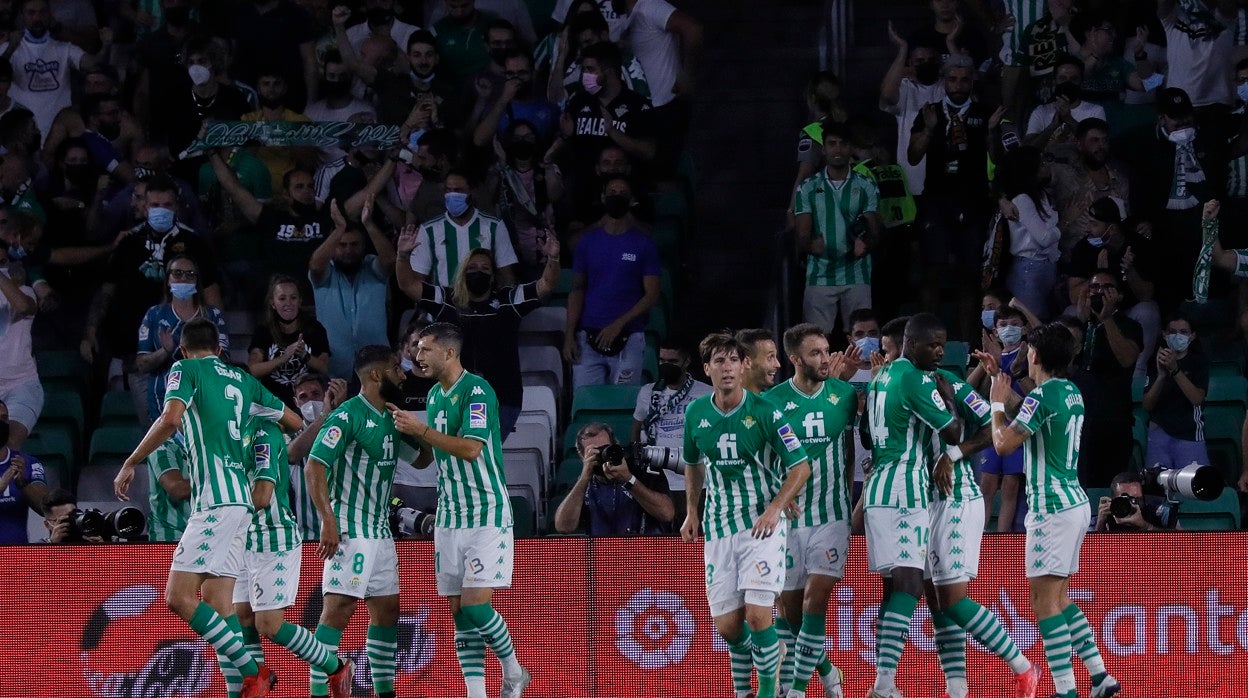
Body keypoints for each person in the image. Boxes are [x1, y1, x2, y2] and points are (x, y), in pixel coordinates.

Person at [113, 317, 303, 698]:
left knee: (177, 598)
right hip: (241, 506)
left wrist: (132, 460)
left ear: (182, 350)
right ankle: (243, 689)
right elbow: (294, 421)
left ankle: (255, 671)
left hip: (215, 503)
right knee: (219, 605)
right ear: (219, 349)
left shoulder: (185, 368)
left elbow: (169, 419)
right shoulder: (244, 381)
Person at [388, 322, 532, 698]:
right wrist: (401, 437)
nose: (417, 356)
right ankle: (476, 693)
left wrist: (419, 431)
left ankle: (515, 671)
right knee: (457, 611)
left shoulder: (477, 390)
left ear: (449, 353)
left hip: (486, 513)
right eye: (416, 349)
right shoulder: (435, 395)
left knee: (476, 608)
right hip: (449, 517)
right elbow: (427, 459)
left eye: (425, 350)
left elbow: (471, 449)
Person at [988, 322, 1120, 698]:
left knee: (1043, 603)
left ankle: (1065, 690)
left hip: (1051, 511)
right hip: (1074, 504)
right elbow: (1034, 418)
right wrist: (1005, 389)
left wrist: (997, 402)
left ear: (1035, 355)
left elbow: (1002, 444)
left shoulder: (1041, 397)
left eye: (1029, 350)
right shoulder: (1068, 391)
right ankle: (1101, 677)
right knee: (1060, 599)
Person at [680, 332, 810, 698]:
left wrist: (775, 507)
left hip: (761, 527)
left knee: (758, 617)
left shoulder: (766, 412)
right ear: (707, 369)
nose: (727, 368)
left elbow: (800, 467)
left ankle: (764, 690)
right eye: (719, 361)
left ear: (743, 366)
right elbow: (692, 465)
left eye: (733, 361)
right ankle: (762, 667)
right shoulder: (695, 413)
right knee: (728, 629)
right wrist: (692, 511)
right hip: (719, 526)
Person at [305, 345, 426, 698]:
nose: (402, 374)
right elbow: (314, 465)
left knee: (387, 612)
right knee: (338, 612)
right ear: (376, 375)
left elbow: (419, 463)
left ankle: (384, 692)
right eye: (395, 368)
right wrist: (328, 521)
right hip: (350, 531)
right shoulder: (347, 416)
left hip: (380, 533)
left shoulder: (391, 416)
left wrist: (418, 431)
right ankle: (318, 693)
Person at [924, 358, 1042, 698]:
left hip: (956, 499)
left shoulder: (946, 382)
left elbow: (994, 430)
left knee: (956, 601)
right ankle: (956, 689)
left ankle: (1023, 666)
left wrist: (956, 453)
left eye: (890, 351)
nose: (887, 361)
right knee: (937, 603)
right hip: (923, 503)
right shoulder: (892, 385)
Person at [862, 313, 963, 698]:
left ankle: (886, 681)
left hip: (877, 491)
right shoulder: (915, 378)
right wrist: (950, 400)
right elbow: (952, 431)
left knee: (892, 590)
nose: (939, 352)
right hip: (905, 488)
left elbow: (868, 438)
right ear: (910, 342)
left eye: (943, 345)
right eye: (932, 345)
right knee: (911, 583)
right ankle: (884, 683)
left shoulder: (881, 375)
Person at [231, 415, 354, 698]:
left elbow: (262, 495)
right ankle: (257, 678)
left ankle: (336, 667)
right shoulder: (226, 431)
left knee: (268, 624)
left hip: (272, 536)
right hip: (241, 538)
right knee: (242, 616)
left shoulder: (264, 432)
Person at [766, 323, 856, 698]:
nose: (825, 358)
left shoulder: (846, 394)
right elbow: (761, 459)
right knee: (790, 614)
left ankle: (798, 689)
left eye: (826, 350)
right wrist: (778, 496)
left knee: (814, 601)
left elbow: (856, 448)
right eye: (815, 353)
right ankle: (827, 670)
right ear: (795, 359)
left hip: (832, 516)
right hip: (790, 520)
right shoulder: (771, 402)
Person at [398, 232, 561, 437]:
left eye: (485, 269)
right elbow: (407, 285)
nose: (478, 272)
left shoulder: (508, 300)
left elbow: (546, 284)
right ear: (462, 272)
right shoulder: (446, 299)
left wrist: (553, 258)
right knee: (463, 460)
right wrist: (403, 257)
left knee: (480, 454)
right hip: (455, 397)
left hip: (501, 397)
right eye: (472, 268)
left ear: (493, 276)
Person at [909, 54, 1007, 339]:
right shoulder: (930, 112)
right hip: (937, 202)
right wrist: (928, 129)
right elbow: (913, 156)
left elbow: (998, 159)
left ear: (972, 81)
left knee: (969, 278)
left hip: (974, 202)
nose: (958, 85)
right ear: (944, 81)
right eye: (952, 79)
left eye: (964, 79)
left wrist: (991, 133)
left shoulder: (986, 112)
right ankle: (926, 342)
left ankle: (967, 349)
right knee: (932, 274)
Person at [563, 176, 660, 389]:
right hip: (587, 338)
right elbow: (577, 289)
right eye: (612, 193)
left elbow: (652, 295)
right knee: (587, 402)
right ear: (603, 198)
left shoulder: (644, 244)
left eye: (622, 194)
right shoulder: (587, 242)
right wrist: (569, 335)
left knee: (624, 402)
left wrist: (618, 324)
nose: (617, 197)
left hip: (629, 337)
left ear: (632, 199)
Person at [794, 120, 882, 334]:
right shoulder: (807, 187)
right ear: (823, 149)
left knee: (863, 339)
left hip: (857, 274)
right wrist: (810, 245)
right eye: (832, 144)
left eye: (843, 144)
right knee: (814, 340)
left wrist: (867, 244)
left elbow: (875, 231)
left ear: (851, 148)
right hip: (819, 274)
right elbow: (802, 235)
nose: (838, 149)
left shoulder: (866, 185)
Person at [134, 255, 228, 422]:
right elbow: (141, 364)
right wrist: (165, 351)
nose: (184, 278)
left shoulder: (213, 315)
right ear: (168, 280)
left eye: (190, 274)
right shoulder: (154, 314)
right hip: (163, 400)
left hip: (204, 399)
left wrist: (200, 352)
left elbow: (224, 361)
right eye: (177, 273)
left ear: (196, 281)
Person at [308, 200, 395, 380]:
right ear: (333, 248)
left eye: (355, 244)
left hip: (376, 366)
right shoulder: (325, 274)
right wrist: (339, 229)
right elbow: (315, 265)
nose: (348, 250)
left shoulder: (372, 267)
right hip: (335, 370)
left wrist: (369, 224)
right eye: (342, 245)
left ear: (363, 246)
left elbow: (390, 262)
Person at [1074, 272, 1142, 486]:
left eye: (1106, 287)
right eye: (1094, 287)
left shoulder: (1129, 325)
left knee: (1111, 486)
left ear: (1119, 295)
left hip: (1113, 422)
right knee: (1080, 485)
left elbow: (1127, 359)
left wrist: (1107, 319)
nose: (1099, 292)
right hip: (1079, 422)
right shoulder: (1080, 327)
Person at [968, 305, 1032, 532]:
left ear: (1024, 328)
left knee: (1010, 486)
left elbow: (1033, 391)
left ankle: (1002, 540)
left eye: (1015, 324)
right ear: (994, 332)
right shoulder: (990, 356)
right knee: (986, 484)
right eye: (1003, 325)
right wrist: (986, 364)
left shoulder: (1029, 355)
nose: (1009, 329)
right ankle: (982, 535)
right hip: (993, 427)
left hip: (1019, 428)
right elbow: (971, 390)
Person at [553, 421, 674, 535]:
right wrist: (584, 478)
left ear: (615, 447)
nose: (602, 456)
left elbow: (667, 514)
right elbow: (563, 527)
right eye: (594, 452)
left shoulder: (644, 471)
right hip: (602, 553)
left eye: (605, 449)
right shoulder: (583, 485)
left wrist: (629, 480)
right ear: (582, 457)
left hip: (644, 552)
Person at [407, 168, 519, 288]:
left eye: (458, 190)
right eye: (448, 190)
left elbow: (507, 276)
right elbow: (418, 280)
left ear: (471, 191)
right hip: (443, 303)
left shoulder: (494, 226)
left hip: (483, 302)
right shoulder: (428, 230)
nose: (452, 195)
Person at [631, 337, 712, 495]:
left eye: (673, 361)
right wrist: (637, 458)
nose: (666, 365)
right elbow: (636, 428)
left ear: (686, 361)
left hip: (697, 481)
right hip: (658, 479)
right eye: (662, 360)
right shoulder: (647, 392)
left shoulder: (707, 394)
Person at [878, 23, 944, 196]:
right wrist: (902, 49)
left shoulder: (947, 86)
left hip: (945, 182)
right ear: (910, 63)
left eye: (930, 60)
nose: (926, 64)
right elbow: (886, 95)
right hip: (911, 181)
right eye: (920, 61)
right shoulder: (906, 87)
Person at [248, 274, 331, 409]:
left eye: (293, 298)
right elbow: (253, 370)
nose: (288, 303)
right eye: (282, 298)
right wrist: (283, 358)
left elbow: (324, 367)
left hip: (308, 406)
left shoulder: (315, 329)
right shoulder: (263, 331)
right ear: (273, 303)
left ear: (300, 301)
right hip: (273, 405)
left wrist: (305, 355)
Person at [997, 146, 1060, 320]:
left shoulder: (1043, 195)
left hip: (1047, 266)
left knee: (1045, 320)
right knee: (1032, 322)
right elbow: (1044, 238)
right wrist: (1065, 225)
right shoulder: (1022, 199)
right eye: (1040, 163)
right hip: (1028, 269)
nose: (1045, 165)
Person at [286, 374, 350, 543]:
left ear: (326, 395)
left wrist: (338, 409)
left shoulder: (345, 428)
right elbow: (292, 455)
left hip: (343, 531)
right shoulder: (289, 436)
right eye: (303, 397)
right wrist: (324, 414)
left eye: (316, 394)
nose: (310, 401)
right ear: (296, 402)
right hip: (306, 536)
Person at [1142, 313, 1209, 470]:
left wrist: (1175, 370)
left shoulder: (1199, 361)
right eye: (1172, 331)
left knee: (1193, 488)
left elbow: (1197, 399)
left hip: (1190, 434)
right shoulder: (1155, 361)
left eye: (1183, 332)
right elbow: (1147, 404)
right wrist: (1160, 377)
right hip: (1159, 433)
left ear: (1192, 336)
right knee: (1157, 489)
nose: (1177, 335)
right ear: (1164, 334)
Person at [0, 243, 37, 448]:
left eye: (2, 263)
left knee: (8, 445)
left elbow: (23, 307)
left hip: (21, 385)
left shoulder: (26, 292)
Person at [0, 399, 45, 542]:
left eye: (4, 418)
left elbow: (45, 508)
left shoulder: (27, 463)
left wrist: (23, 484)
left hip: (17, 557)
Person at [145, 433, 191, 543]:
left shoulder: (209, 448)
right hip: (171, 538)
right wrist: (220, 482)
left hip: (206, 535)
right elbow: (177, 490)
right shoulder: (161, 447)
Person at [1092, 470, 1170, 532]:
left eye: (1136, 499)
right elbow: (1086, 549)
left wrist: (1146, 526)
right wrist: (1100, 525)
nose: (1130, 503)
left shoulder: (1157, 513)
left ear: (1143, 498)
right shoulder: (1104, 516)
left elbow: (1178, 541)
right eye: (1124, 500)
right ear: (1113, 500)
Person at [736, 328, 781, 394]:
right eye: (770, 357)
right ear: (747, 362)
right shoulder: (721, 402)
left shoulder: (773, 401)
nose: (778, 364)